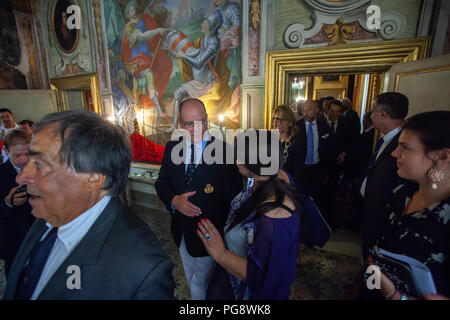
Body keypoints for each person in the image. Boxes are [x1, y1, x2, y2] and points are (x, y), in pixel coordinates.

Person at [4, 110, 175, 300]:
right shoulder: (48, 215)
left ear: (93, 177)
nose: (20, 177)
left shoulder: (141, 269)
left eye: (41, 164)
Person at [197, 130, 302, 300]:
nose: (235, 160)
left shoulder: (275, 217)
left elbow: (265, 278)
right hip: (230, 276)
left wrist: (220, 253)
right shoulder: (272, 176)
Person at [155, 98, 242, 299]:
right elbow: (161, 184)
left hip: (211, 236)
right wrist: (174, 201)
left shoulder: (224, 152)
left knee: (200, 283)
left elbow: (234, 198)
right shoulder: (171, 148)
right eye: (190, 124)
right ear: (180, 124)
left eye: (203, 121)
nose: (199, 128)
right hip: (180, 232)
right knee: (191, 276)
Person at [364, 111, 450, 299]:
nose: (395, 153)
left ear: (442, 156)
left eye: (405, 147)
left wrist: (396, 296)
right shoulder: (403, 190)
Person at [360, 92, 408, 260]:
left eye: (373, 111)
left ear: (383, 114)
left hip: (383, 217)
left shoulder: (402, 143)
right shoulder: (385, 139)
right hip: (372, 210)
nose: (371, 115)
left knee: (375, 260)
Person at [121, 0, 172, 116]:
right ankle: (157, 107)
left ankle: (157, 102)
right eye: (131, 10)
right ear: (128, 13)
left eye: (135, 9)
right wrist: (158, 30)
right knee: (149, 75)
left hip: (148, 56)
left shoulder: (144, 20)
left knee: (164, 65)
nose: (134, 12)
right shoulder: (129, 27)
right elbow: (143, 36)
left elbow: (150, 34)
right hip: (137, 60)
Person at [0, 130, 35, 279]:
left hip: (37, 232)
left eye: (27, 154)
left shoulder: (41, 170)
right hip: (12, 238)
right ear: (7, 151)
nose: (23, 160)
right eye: (17, 155)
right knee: (15, 279)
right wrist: (7, 202)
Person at [295, 100, 330, 202]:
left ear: (317, 110)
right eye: (303, 110)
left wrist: (325, 171)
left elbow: (327, 150)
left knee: (315, 198)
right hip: (300, 169)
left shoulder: (324, 125)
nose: (305, 113)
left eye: (309, 110)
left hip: (317, 169)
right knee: (299, 198)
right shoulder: (297, 127)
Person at [323, 100, 350, 227]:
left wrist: (344, 153)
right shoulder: (320, 122)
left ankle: (330, 221)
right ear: (327, 110)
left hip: (337, 165)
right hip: (321, 165)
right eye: (332, 111)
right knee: (320, 193)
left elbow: (350, 141)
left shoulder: (345, 122)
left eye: (338, 112)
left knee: (332, 193)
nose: (335, 114)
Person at [271, 105, 305, 194]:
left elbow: (298, 172)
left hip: (288, 188)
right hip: (270, 186)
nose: (277, 122)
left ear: (290, 122)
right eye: (275, 119)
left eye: (282, 119)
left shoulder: (297, 142)